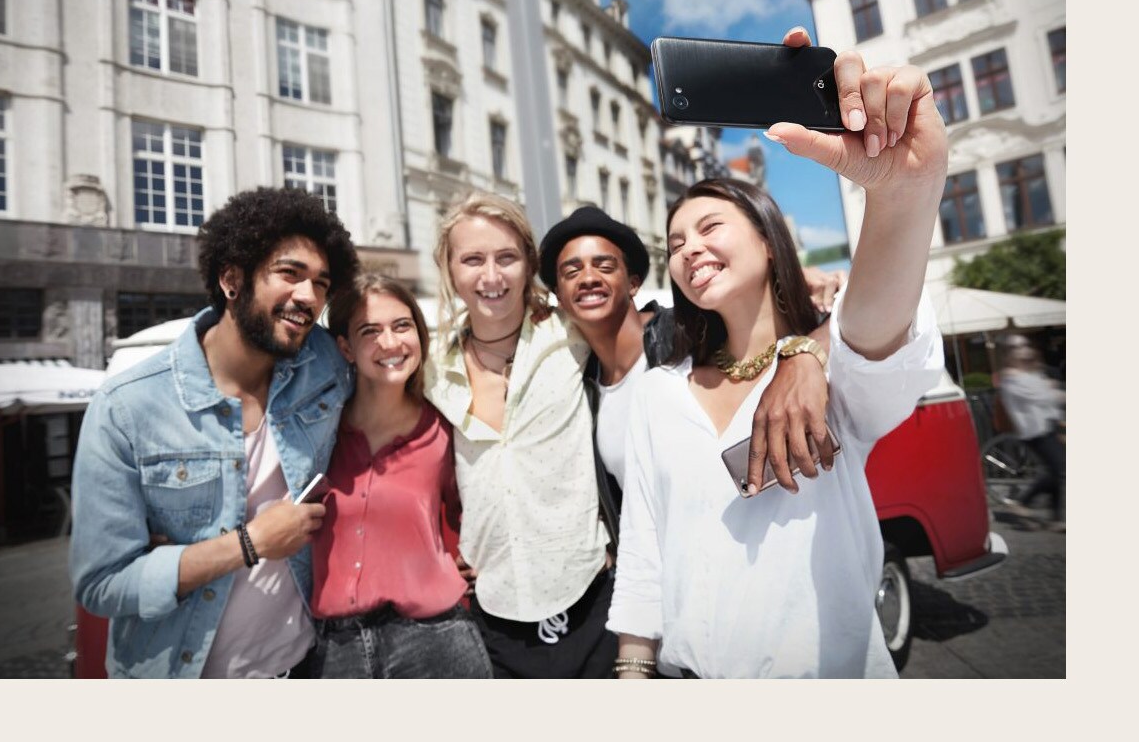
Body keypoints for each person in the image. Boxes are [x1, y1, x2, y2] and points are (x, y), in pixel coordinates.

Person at [608, 33, 949, 679]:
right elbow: (644, 543)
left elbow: (878, 329)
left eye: (710, 228)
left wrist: (903, 192)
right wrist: (632, 668)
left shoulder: (835, 373)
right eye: (675, 242)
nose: (688, 250)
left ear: (769, 243)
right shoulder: (659, 392)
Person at [69, 186, 358, 678]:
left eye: (321, 283)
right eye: (289, 273)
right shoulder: (128, 407)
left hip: (303, 664)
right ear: (231, 279)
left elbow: (407, 370)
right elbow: (102, 583)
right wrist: (248, 543)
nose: (308, 297)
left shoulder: (326, 364)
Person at [537, 202, 847, 542]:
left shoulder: (688, 334)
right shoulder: (582, 383)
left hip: (755, 544)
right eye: (571, 272)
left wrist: (806, 348)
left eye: (604, 265)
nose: (588, 278)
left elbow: (796, 320)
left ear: (634, 283)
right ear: (559, 298)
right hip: (661, 576)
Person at [425, 193, 617, 678]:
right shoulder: (429, 366)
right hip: (493, 607)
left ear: (529, 263)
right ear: (449, 269)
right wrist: (442, 546)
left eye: (506, 257)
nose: (491, 277)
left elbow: (660, 332)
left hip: (591, 592)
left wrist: (802, 349)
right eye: (472, 259)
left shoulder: (571, 333)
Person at [309, 273, 493, 678]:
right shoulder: (317, 432)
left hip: (436, 643)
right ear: (346, 348)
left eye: (402, 326)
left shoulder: (445, 428)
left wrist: (479, 557)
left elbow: (481, 505)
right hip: (334, 653)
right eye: (370, 331)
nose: (390, 343)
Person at [998, 344, 1066, 529]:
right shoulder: (1011, 378)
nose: (1025, 351)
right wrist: (1056, 391)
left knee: (1057, 471)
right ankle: (1022, 502)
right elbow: (1041, 397)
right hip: (1034, 430)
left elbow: (1045, 396)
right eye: (1019, 349)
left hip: (1047, 426)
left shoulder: (1030, 373)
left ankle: (1057, 517)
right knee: (1058, 469)